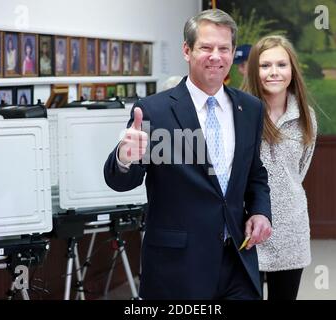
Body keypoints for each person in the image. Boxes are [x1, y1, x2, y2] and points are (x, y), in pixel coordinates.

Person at [104, 9, 272, 300]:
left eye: (223, 48)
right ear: (187, 50)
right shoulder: (154, 110)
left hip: (237, 261)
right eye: (206, 47)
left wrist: (260, 211)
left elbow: (255, 174)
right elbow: (121, 181)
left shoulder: (251, 108)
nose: (215, 56)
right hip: (178, 267)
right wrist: (124, 156)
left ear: (233, 52)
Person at [243, 35, 317, 300]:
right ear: (254, 70)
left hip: (290, 229)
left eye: (281, 65)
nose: (274, 72)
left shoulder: (306, 116)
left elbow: (299, 170)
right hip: (247, 227)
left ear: (292, 70)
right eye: (265, 66)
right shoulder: (239, 112)